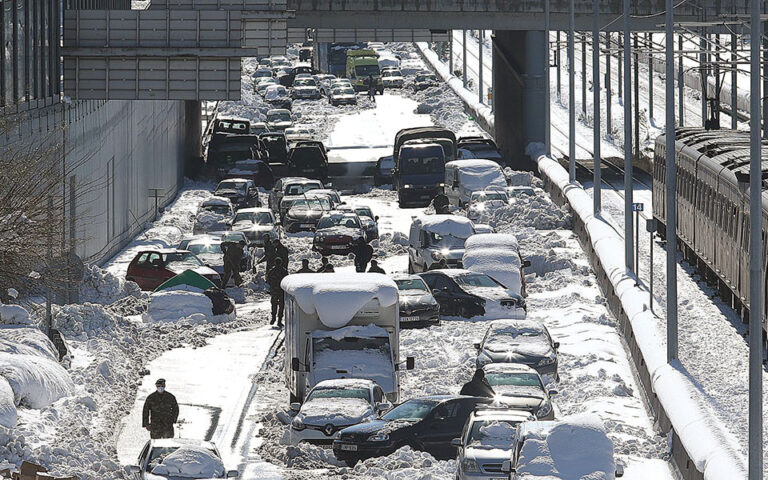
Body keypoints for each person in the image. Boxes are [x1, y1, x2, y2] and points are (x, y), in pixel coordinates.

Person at [266, 257, 289, 327]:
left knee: (274, 304)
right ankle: (279, 320)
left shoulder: (272, 271)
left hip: (274, 290)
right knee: (281, 306)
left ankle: (273, 318)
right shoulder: (284, 271)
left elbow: (268, 280)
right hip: (281, 291)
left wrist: (272, 286)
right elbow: (286, 281)